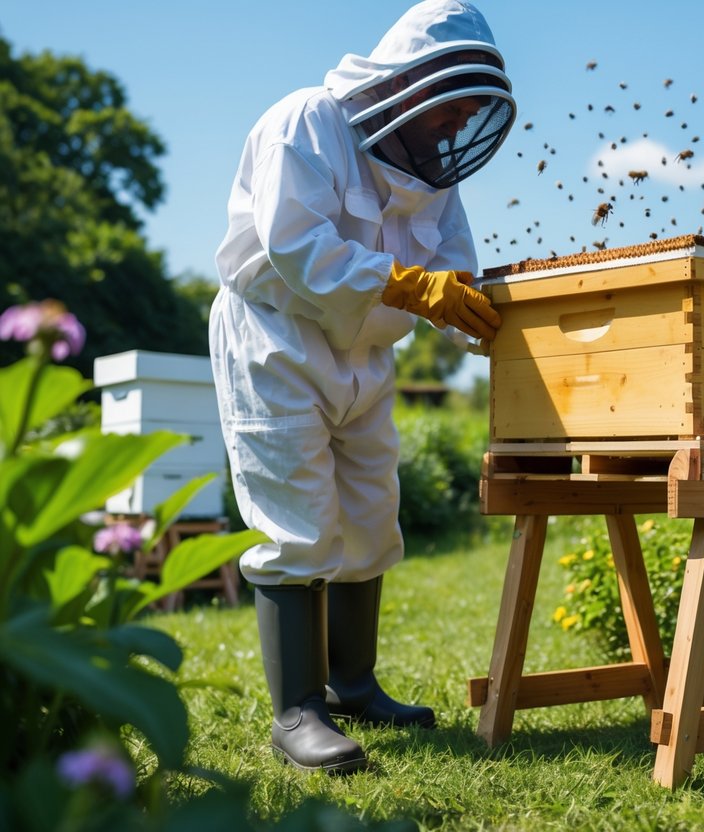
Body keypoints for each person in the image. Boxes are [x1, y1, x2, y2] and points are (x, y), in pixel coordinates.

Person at [209, 0, 514, 773]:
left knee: (371, 516)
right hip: (277, 338)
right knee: (299, 521)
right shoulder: (306, 122)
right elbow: (294, 246)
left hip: (368, 354)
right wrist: (415, 287)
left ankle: (352, 685)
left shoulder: (430, 176)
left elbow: (453, 275)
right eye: (451, 111)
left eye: (469, 116)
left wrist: (485, 322)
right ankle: (297, 711)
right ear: (410, 86)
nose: (455, 130)